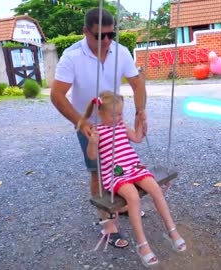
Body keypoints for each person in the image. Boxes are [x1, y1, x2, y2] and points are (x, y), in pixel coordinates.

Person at [50, 8, 146, 249]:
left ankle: (122, 204)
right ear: (85, 31)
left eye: (110, 35)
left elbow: (137, 84)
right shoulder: (71, 57)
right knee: (98, 173)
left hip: (114, 120)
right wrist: (80, 122)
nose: (105, 41)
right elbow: (57, 95)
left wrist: (139, 111)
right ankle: (107, 223)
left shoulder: (120, 52)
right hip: (89, 125)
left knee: (122, 166)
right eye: (99, 36)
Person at [83, 91, 186, 267]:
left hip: (133, 167)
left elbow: (137, 138)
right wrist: (92, 142)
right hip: (115, 173)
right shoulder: (97, 131)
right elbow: (92, 156)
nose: (117, 118)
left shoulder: (122, 126)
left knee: (155, 188)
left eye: (120, 114)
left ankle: (172, 231)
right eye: (113, 115)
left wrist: (141, 124)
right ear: (100, 114)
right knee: (133, 197)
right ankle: (142, 244)